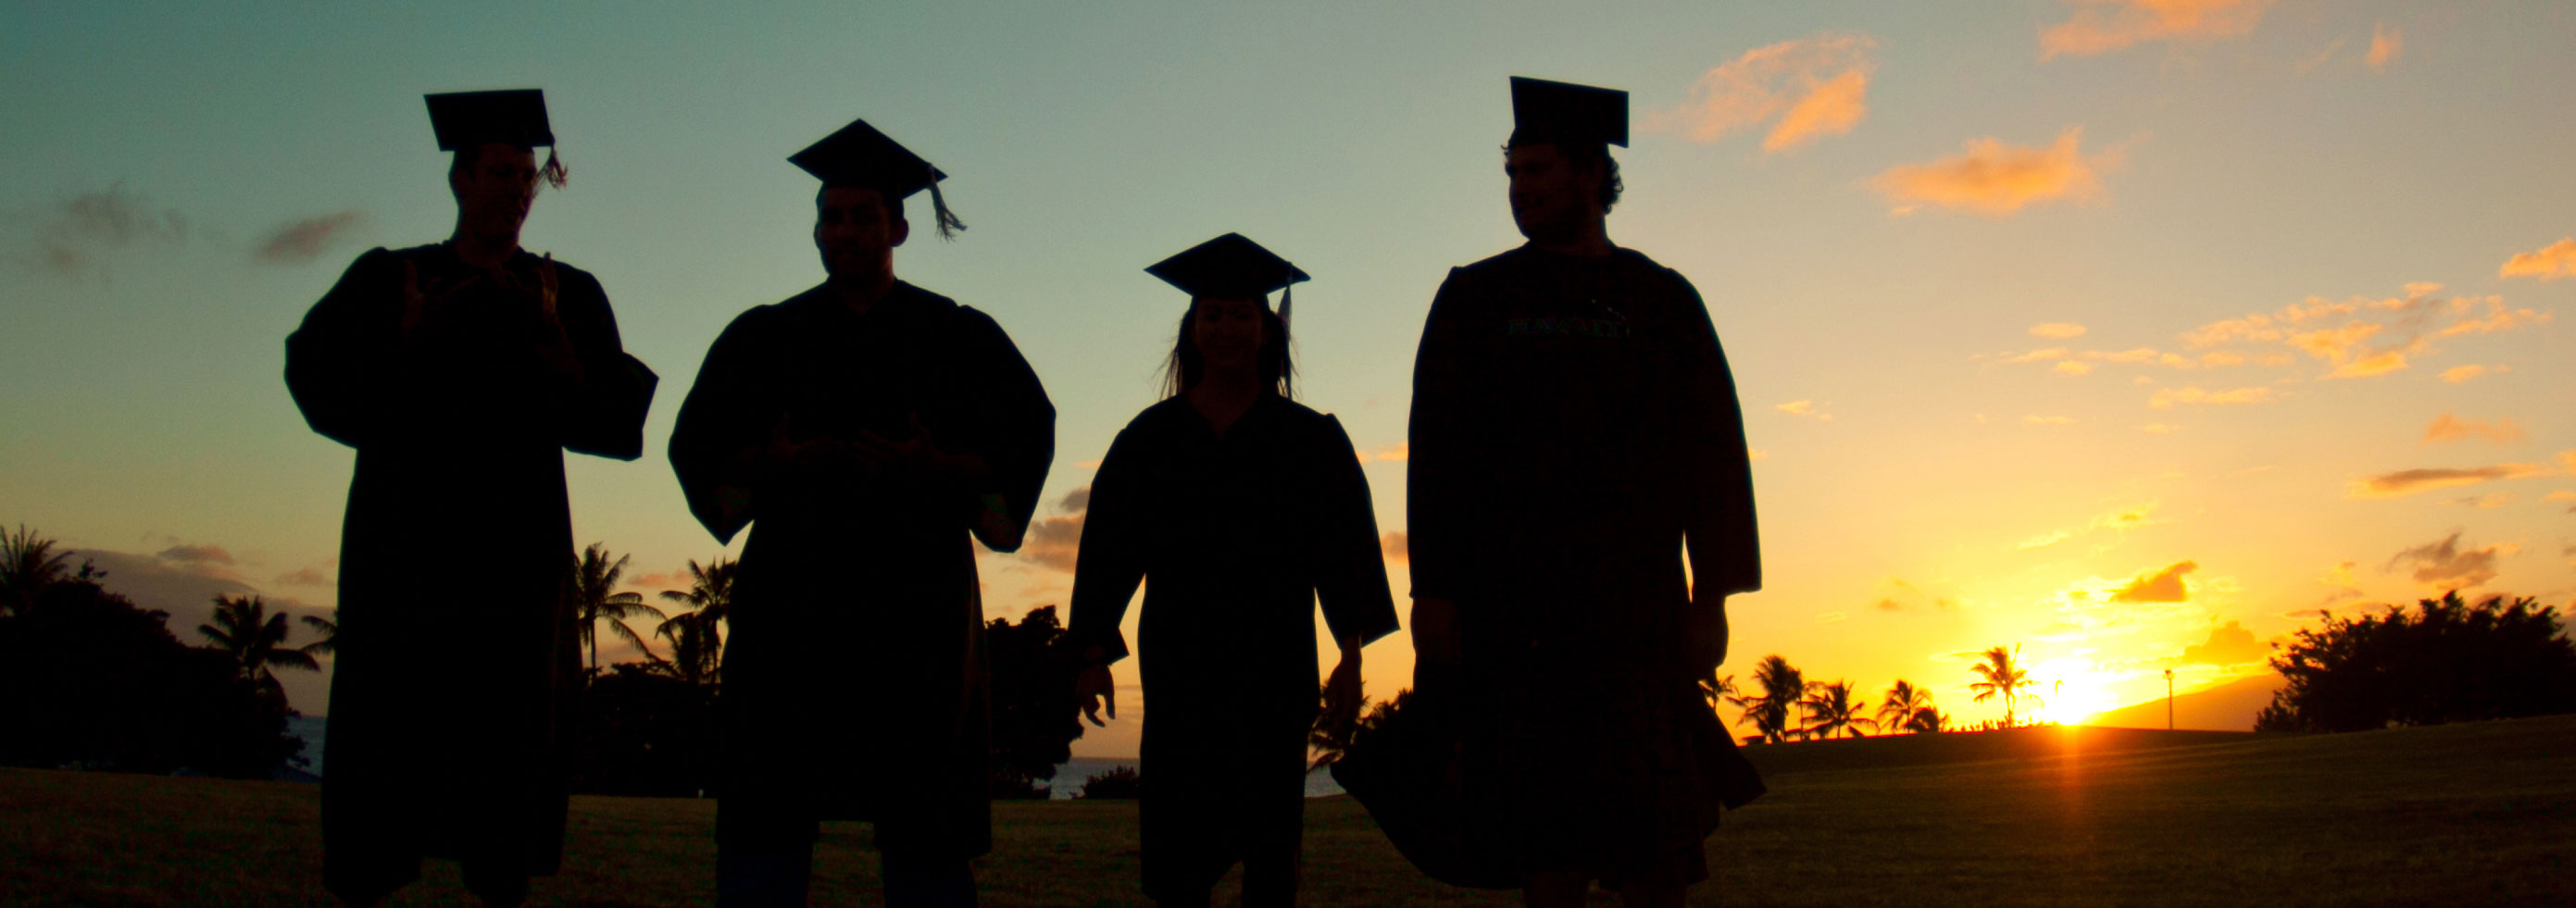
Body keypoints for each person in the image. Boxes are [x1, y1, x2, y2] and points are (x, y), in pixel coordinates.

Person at [666, 117, 1054, 908]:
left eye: (863, 215)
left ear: (900, 226)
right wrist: (769, 466)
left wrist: (936, 467)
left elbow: (1022, 442)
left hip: (920, 611)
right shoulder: (766, 336)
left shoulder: (957, 336)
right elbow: (700, 450)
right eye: (830, 216)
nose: (843, 231)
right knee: (766, 824)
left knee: (928, 831)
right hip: (790, 609)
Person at [285, 89, 658, 907]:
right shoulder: (391, 279)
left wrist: (560, 354)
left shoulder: (567, 293)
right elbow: (316, 383)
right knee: (388, 748)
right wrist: (409, 342)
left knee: (506, 761)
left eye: (526, 175)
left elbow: (613, 421)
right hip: (402, 555)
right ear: (460, 180)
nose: (516, 189)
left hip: (516, 563)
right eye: (498, 171)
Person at [1405, 76, 1762, 908]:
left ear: (1592, 176)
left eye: (1539, 170)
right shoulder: (1476, 297)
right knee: (1546, 843)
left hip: (1635, 609)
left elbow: (1711, 453)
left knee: (1653, 843)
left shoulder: (1660, 299)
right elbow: (1439, 456)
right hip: (1513, 612)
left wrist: (1711, 595)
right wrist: (1435, 591)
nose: (1521, 190)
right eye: (1512, 174)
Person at [1066, 234, 1401, 908]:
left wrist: (1351, 652)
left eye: (1240, 314)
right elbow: (1107, 549)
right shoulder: (1150, 439)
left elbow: (1345, 549)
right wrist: (1092, 648)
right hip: (1181, 667)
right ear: (1191, 329)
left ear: (1266, 329)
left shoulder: (1309, 439)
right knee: (1176, 861)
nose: (1225, 327)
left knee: (1271, 855)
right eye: (1211, 314)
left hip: (1274, 670)